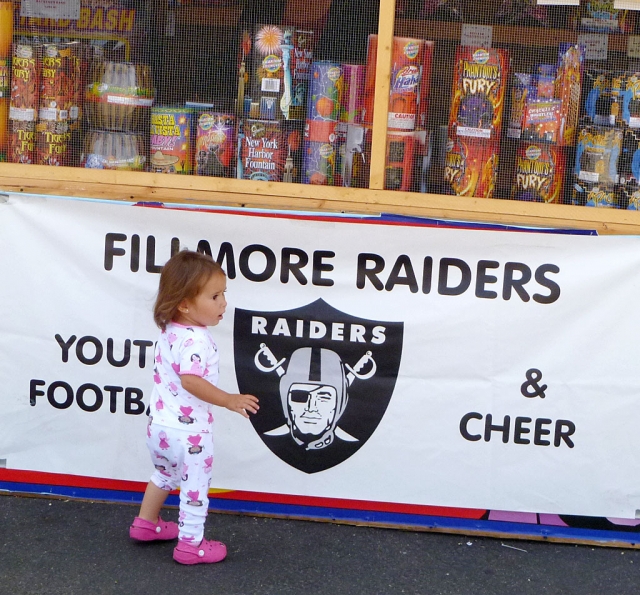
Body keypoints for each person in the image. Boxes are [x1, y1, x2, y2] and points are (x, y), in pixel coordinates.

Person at [129, 250, 259, 565]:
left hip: (159, 427)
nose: (223, 303)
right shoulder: (198, 341)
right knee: (194, 488)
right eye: (215, 296)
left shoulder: (170, 331)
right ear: (185, 304)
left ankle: (146, 523)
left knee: (164, 473)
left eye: (223, 294)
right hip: (190, 435)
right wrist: (229, 399)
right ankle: (191, 544)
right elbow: (191, 381)